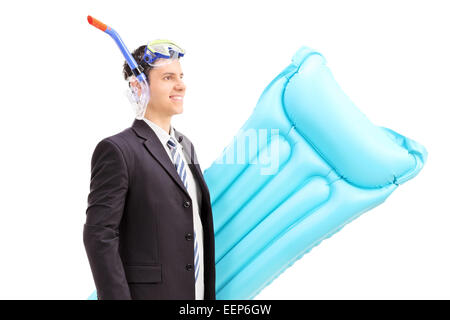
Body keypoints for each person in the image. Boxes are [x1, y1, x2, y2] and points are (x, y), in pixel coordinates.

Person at [83, 41, 216, 300]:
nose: (181, 85)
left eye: (181, 76)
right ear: (138, 86)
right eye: (168, 77)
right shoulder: (117, 150)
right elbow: (99, 235)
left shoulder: (186, 146)